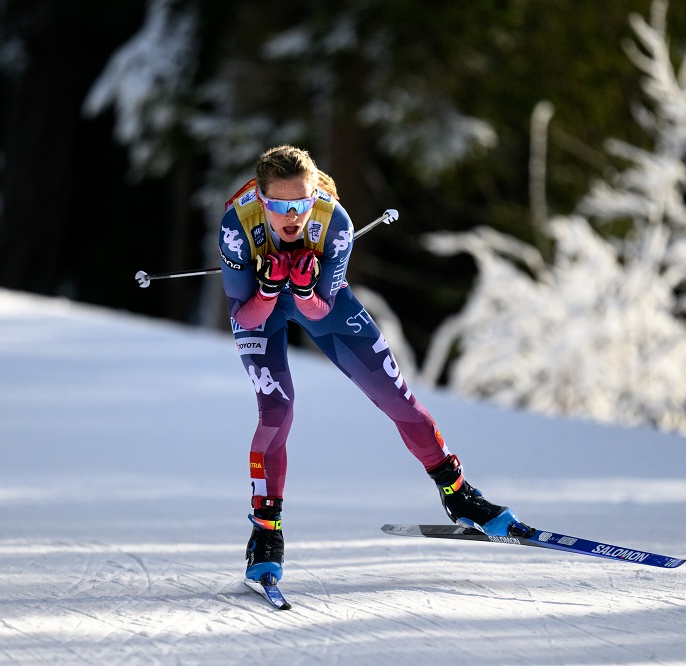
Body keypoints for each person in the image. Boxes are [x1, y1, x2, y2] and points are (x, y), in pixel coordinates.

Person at [218, 145, 532, 585]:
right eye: (280, 206)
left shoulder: (335, 224)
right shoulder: (238, 225)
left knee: (397, 398)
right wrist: (269, 288)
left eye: (302, 204)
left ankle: (458, 494)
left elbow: (322, 309)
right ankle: (266, 533)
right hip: (259, 305)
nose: (292, 217)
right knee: (277, 410)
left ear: (314, 197)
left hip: (319, 302)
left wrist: (303, 290)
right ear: (261, 199)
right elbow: (245, 316)